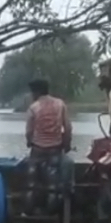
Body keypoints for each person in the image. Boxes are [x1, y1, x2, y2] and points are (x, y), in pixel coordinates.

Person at [23, 79, 73, 215]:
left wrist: (29, 142)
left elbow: (29, 131)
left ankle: (28, 211)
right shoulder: (60, 104)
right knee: (53, 185)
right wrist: (66, 144)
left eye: (32, 92)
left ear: (37, 92)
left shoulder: (34, 107)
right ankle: (51, 213)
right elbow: (67, 127)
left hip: (37, 149)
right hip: (55, 149)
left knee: (31, 184)